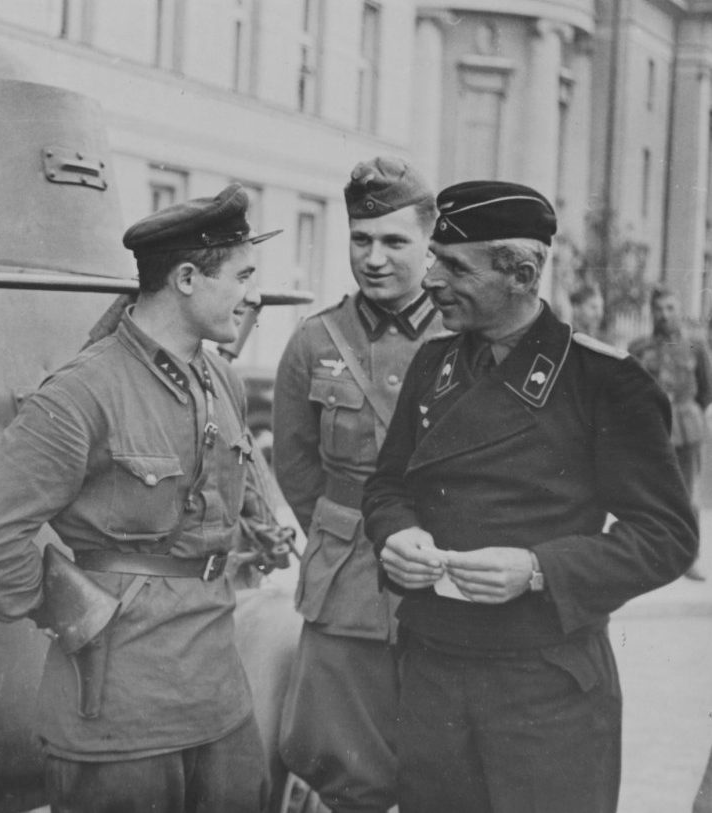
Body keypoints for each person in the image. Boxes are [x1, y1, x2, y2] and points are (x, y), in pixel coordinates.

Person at [364, 180, 698, 813]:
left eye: (454, 266)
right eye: (434, 257)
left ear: (520, 273)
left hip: (544, 686)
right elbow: (386, 485)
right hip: (433, 671)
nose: (429, 278)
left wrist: (540, 570)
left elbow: (667, 537)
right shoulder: (433, 363)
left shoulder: (606, 382)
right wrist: (394, 533)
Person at [0, 183, 280, 813]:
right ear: (186, 278)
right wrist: (80, 615)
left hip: (219, 698)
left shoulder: (222, 381)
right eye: (241, 276)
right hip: (120, 712)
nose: (252, 294)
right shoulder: (80, 395)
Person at [272, 155, 441, 813]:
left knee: (442, 760)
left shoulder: (467, 339)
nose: (374, 257)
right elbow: (294, 465)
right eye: (360, 238)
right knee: (346, 769)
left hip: (440, 577)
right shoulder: (315, 341)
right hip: (345, 584)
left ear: (430, 245)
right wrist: (347, 528)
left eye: (394, 240)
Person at [629, 286, 710, 581]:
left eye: (670, 308)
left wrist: (690, 415)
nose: (664, 315)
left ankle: (689, 558)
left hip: (687, 430)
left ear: (679, 310)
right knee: (648, 493)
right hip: (651, 430)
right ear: (652, 312)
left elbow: (705, 389)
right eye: (659, 309)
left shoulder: (697, 347)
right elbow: (630, 389)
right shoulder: (639, 349)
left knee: (687, 495)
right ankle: (651, 558)